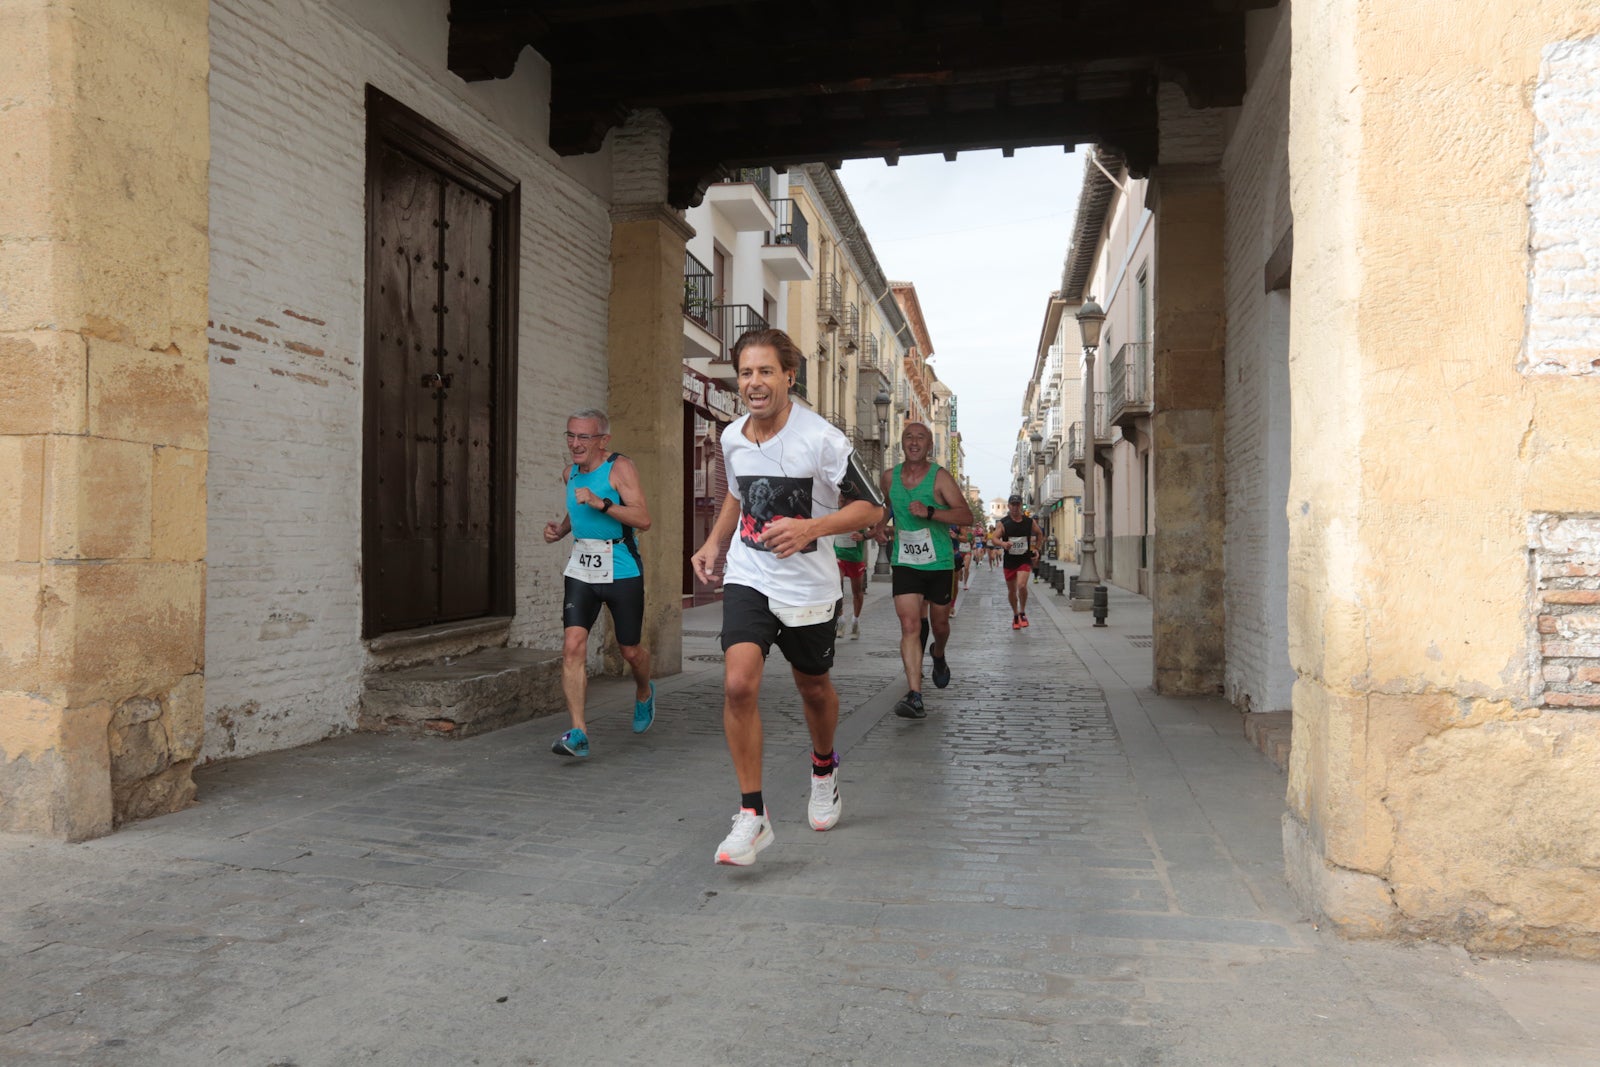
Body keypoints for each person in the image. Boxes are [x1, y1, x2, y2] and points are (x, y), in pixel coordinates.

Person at [690, 328, 885, 867]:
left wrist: (810, 528)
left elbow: (873, 507)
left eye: (765, 371)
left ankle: (824, 768)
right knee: (737, 685)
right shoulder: (732, 436)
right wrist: (714, 542)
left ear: (788, 377)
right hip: (750, 576)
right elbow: (736, 494)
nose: (754, 383)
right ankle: (752, 814)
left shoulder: (822, 439)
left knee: (814, 688)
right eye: (745, 372)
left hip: (807, 589)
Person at [543, 409, 655, 758]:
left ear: (603, 440)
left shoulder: (620, 468)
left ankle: (644, 691)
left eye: (584, 437)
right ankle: (579, 732)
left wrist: (601, 502)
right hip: (582, 570)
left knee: (629, 650)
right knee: (572, 646)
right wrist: (561, 530)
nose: (575, 444)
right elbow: (576, 509)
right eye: (570, 435)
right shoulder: (570, 474)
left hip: (622, 568)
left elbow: (643, 519)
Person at [873, 422, 975, 719]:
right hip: (905, 561)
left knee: (939, 626)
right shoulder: (888, 478)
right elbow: (888, 505)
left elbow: (966, 515)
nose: (914, 442)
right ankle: (915, 695)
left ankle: (938, 654)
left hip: (939, 562)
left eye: (921, 437)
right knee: (909, 626)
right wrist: (879, 526)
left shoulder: (939, 477)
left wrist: (930, 512)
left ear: (929, 445)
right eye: (909, 437)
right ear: (901, 443)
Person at [998, 494, 1044, 630]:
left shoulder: (1029, 522)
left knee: (1022, 585)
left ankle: (1022, 612)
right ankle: (1015, 614)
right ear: (1009, 506)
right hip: (1009, 561)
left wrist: (1037, 549)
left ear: (1021, 505)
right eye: (1013, 504)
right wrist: (1003, 543)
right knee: (1012, 591)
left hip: (1024, 559)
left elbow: (1039, 533)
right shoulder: (1003, 523)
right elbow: (994, 538)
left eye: (1017, 504)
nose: (1015, 507)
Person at [834, 527, 870, 639]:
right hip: (838, 555)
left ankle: (855, 621)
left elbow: (875, 529)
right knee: (836, 588)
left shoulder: (862, 516)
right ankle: (841, 621)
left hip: (855, 558)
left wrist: (863, 536)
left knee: (857, 592)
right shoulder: (834, 515)